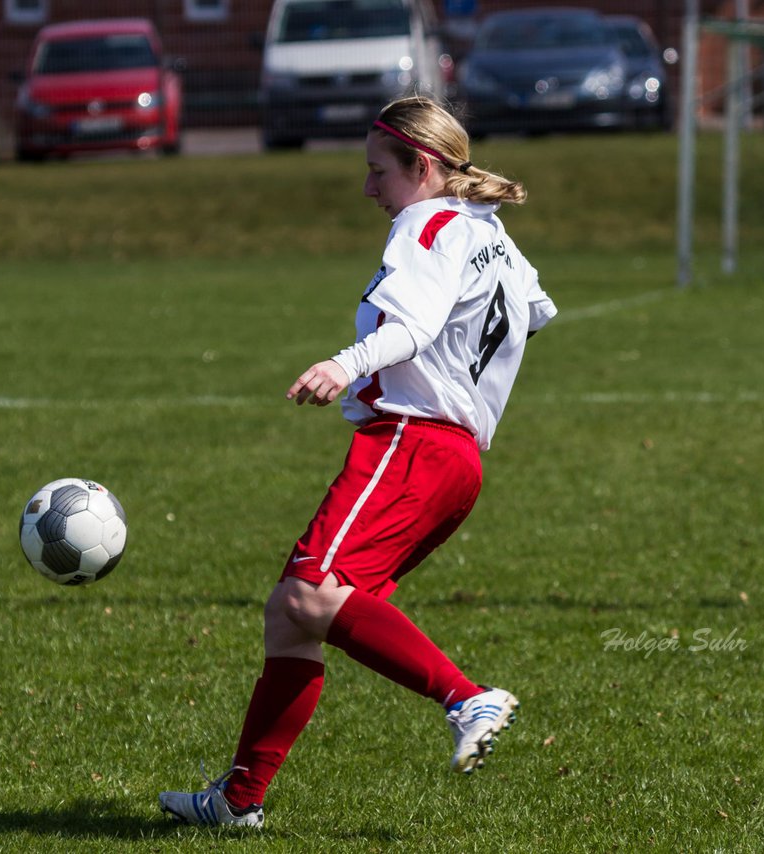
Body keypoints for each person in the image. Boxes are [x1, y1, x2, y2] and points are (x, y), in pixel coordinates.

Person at [158, 95, 558, 828]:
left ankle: (467, 698)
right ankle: (238, 800)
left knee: (311, 594)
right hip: (455, 459)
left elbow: (412, 324)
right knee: (292, 613)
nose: (370, 188)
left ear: (424, 167)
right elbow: (535, 310)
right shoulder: (490, 233)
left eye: (380, 172)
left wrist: (346, 364)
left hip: (412, 441)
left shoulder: (428, 221)